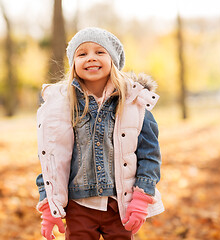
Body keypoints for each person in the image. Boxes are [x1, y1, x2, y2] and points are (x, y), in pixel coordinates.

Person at [35, 27, 164, 240]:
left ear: (113, 59)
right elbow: (49, 157)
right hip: (79, 207)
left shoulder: (134, 102)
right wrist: (49, 204)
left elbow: (149, 155)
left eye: (99, 52)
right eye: (82, 53)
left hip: (119, 206)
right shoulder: (62, 106)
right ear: (73, 63)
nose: (91, 58)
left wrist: (141, 198)